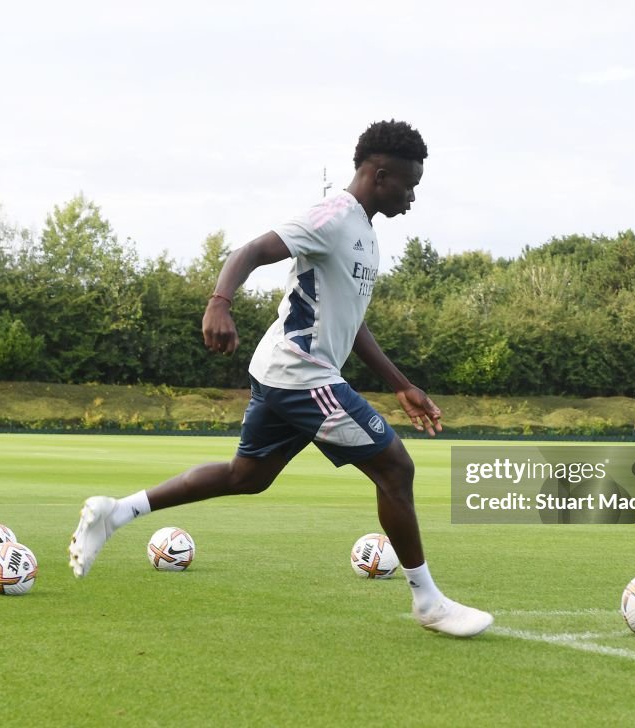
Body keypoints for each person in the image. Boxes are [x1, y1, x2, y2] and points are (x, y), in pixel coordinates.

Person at [69, 119, 493, 638]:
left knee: (246, 477)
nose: (412, 197)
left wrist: (401, 383)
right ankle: (428, 601)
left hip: (290, 372)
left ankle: (117, 512)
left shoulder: (364, 232)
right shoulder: (333, 216)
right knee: (395, 467)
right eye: (409, 185)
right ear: (380, 174)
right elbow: (250, 251)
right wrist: (219, 302)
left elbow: (349, 321)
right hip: (300, 372)